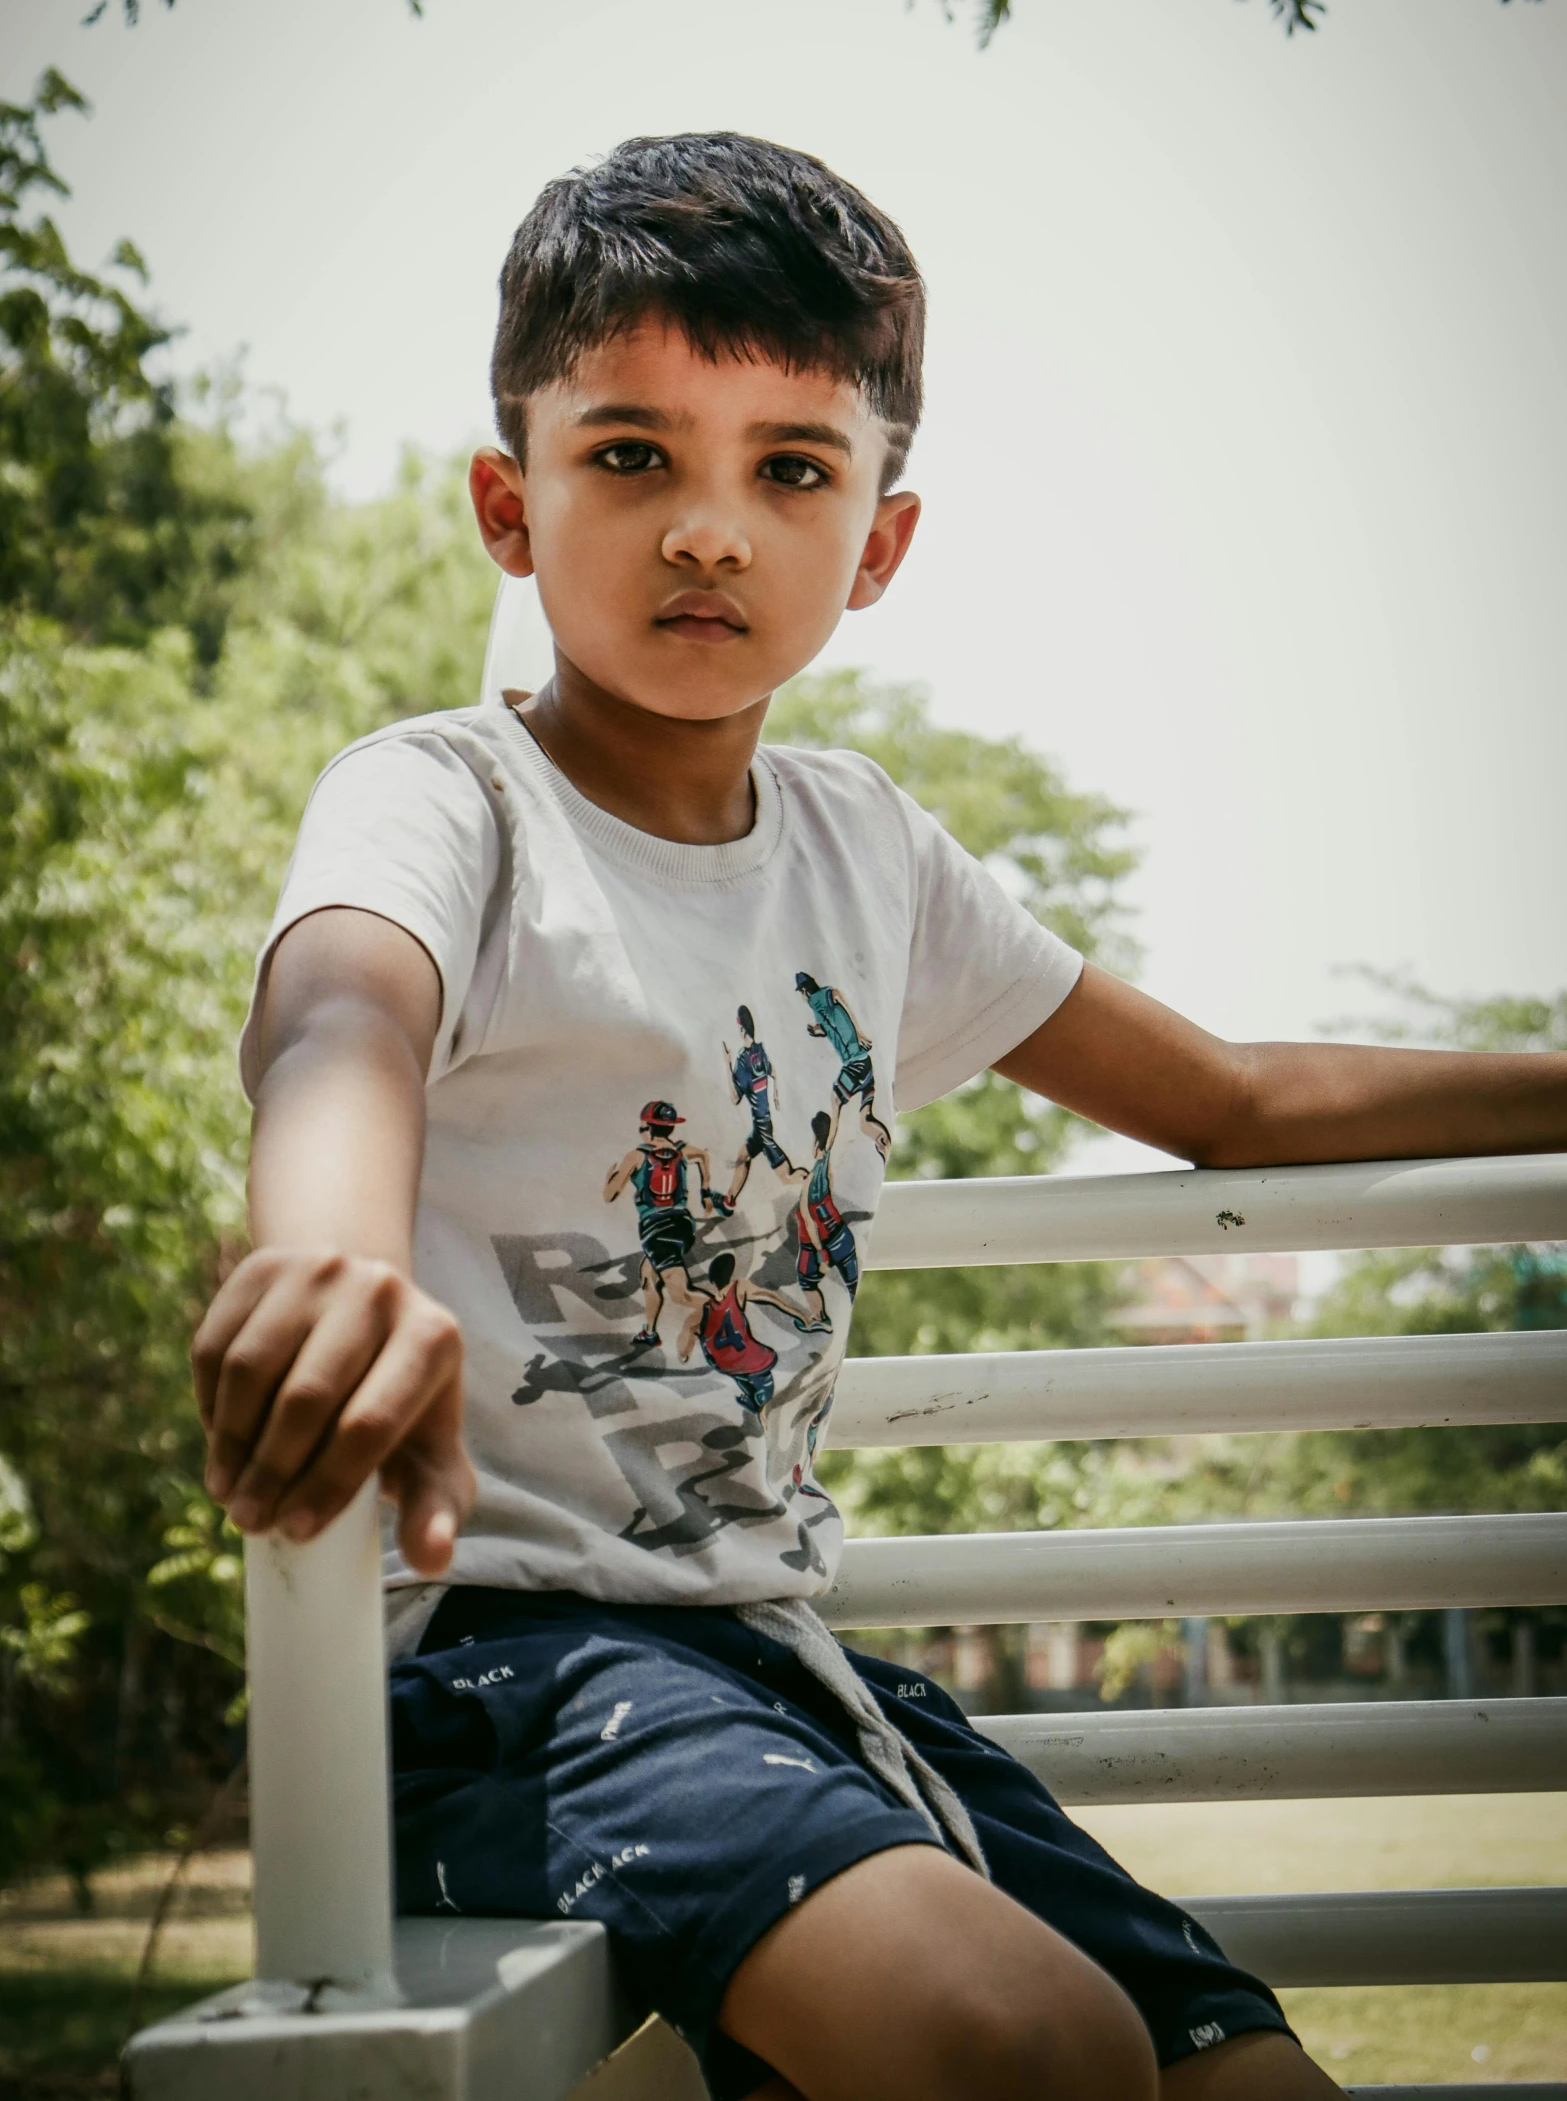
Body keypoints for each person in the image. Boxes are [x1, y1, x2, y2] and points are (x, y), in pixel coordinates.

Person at [194, 132, 1567, 2101]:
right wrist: (322, 1261)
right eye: (632, 453)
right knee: (1022, 2041)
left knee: (1250, 2077)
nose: (709, 529)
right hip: (496, 1672)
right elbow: (341, 1010)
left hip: (782, 1664)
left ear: (881, 540)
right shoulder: (444, 802)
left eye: (792, 467)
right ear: (510, 501)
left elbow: (1238, 1097)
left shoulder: (876, 857)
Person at [603, 1098, 721, 1347]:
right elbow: (703, 1156)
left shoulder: (636, 1156)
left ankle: (727, 1311)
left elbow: (609, 1195)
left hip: (658, 1230)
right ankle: (650, 1332)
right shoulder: (682, 1150)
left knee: (681, 1295)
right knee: (648, 1276)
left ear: (648, 1128)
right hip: (683, 1226)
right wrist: (706, 1191)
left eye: (642, 1127)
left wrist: (609, 1178)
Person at [677, 1249, 813, 1419]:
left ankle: (753, 1402)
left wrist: (684, 1353)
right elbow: (770, 1297)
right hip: (750, 1359)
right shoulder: (738, 1288)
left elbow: (689, 1330)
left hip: (725, 1363)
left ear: (712, 1281)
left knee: (746, 1383)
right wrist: (800, 1315)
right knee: (766, 1395)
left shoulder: (705, 1306)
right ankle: (759, 1406)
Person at [794, 972, 892, 1157]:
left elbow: (838, 995)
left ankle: (827, 1152)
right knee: (864, 1121)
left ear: (805, 991)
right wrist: (818, 1029)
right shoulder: (818, 1008)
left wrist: (859, 1032)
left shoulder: (818, 998)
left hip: (855, 1061)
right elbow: (833, 1026)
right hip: (863, 1062)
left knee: (836, 1100)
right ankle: (883, 1143)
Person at [721, 1005, 805, 1208]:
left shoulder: (742, 1059)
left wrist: (727, 1064)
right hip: (763, 1125)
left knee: (786, 1176)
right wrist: (775, 1093)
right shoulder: (759, 1050)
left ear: (742, 1029)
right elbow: (773, 1071)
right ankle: (729, 1199)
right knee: (743, 1156)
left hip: (762, 1129)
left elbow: (734, 1098)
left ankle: (816, 1184)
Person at [794, 1106, 858, 1329]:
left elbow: (808, 1220)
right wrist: (837, 1108)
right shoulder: (826, 1160)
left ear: (814, 1142)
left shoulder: (809, 1179)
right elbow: (833, 1133)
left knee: (806, 1280)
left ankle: (820, 1318)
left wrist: (821, 1252)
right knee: (852, 1283)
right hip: (841, 1233)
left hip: (821, 1241)